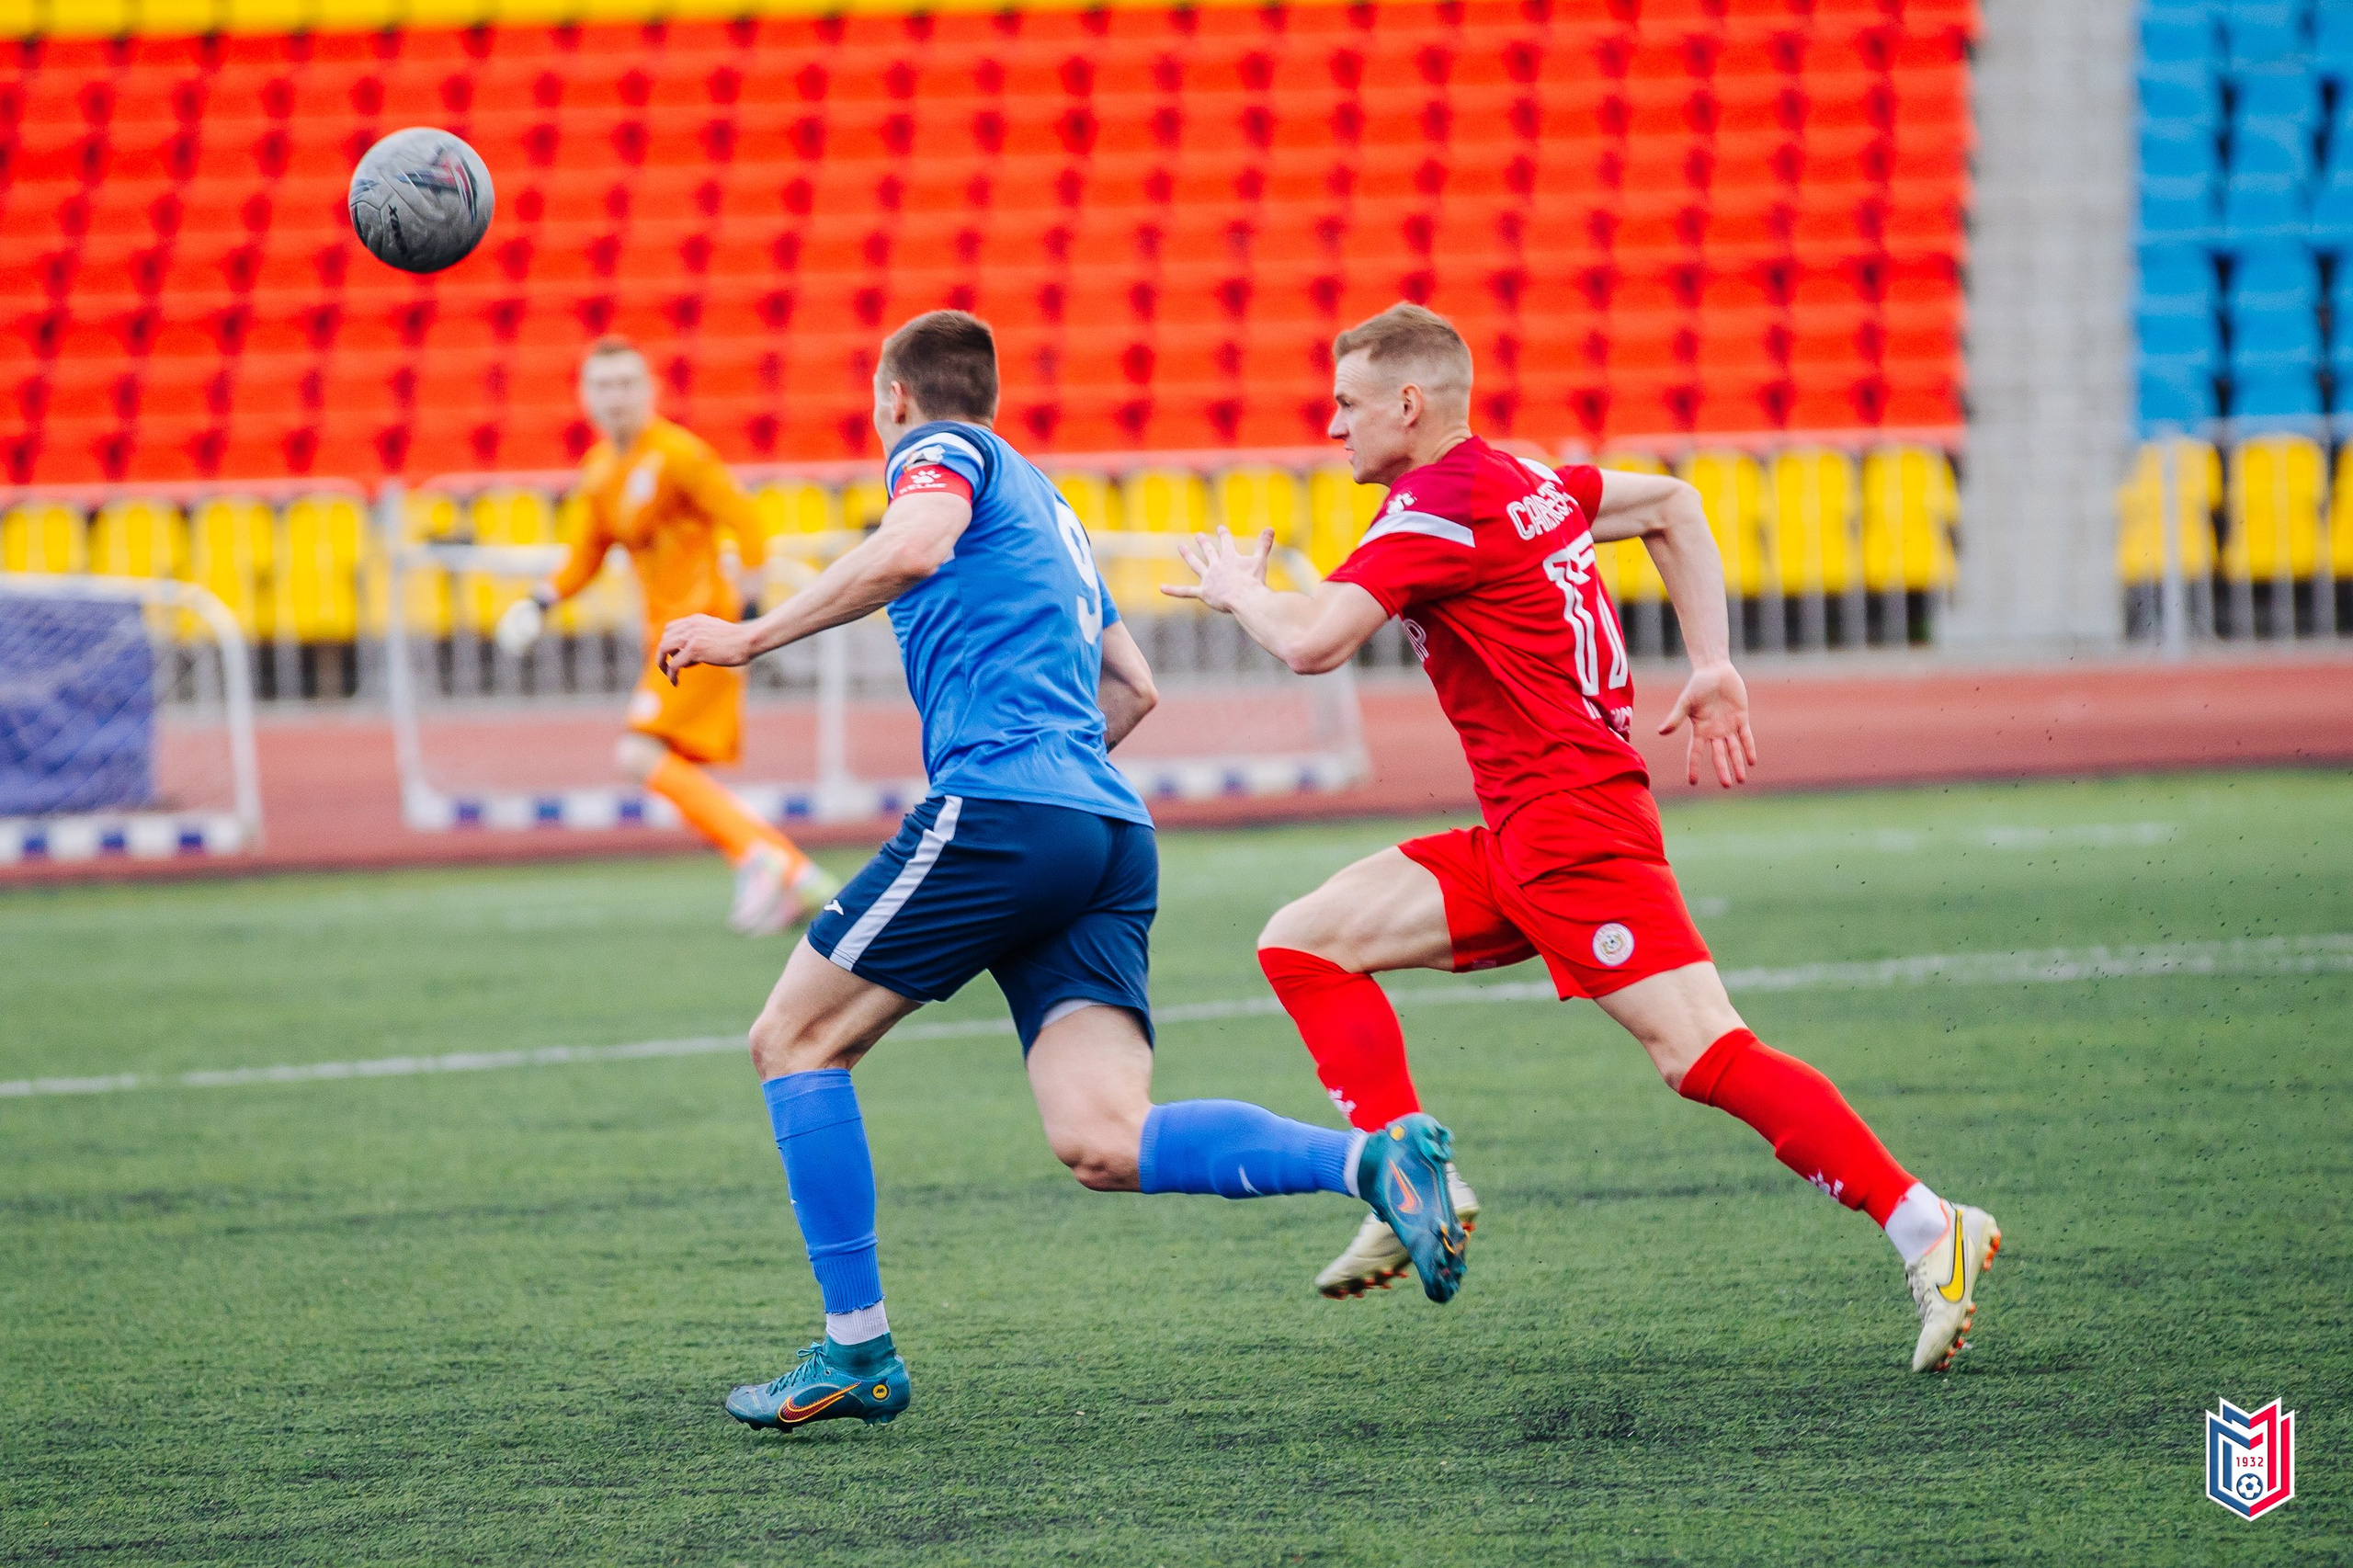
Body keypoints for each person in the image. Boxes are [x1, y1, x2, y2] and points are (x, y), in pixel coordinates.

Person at [654, 310, 1466, 1433]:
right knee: (1102, 1136)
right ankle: (1373, 1161)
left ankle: (856, 1349)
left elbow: (913, 545)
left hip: (1004, 806)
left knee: (792, 1039)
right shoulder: (1053, 505)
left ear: (895, 396)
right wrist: (1056, 785)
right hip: (1104, 828)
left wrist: (745, 637)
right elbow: (1134, 691)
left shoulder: (941, 457)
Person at [1165, 303, 2000, 1374]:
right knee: (1303, 940)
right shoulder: (1528, 480)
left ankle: (1929, 1224)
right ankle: (1407, 1170)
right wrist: (1711, 660)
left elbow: (1316, 642)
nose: (1332, 426)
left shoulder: (1435, 507)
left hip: (1573, 827)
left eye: (1345, 403)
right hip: (1524, 825)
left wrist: (1242, 592)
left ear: (1408, 404)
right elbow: (1674, 503)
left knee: (1702, 1051)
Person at [494, 337, 835, 937]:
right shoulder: (601, 470)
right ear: (584, 397)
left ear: (650, 391)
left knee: (638, 753)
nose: (615, 397)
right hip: (668, 639)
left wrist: (746, 617)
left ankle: (766, 860)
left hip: (704, 630)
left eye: (627, 383)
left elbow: (747, 522)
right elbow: (587, 554)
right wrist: (539, 601)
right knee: (659, 760)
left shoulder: (678, 455)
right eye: (603, 386)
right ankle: (788, 869)